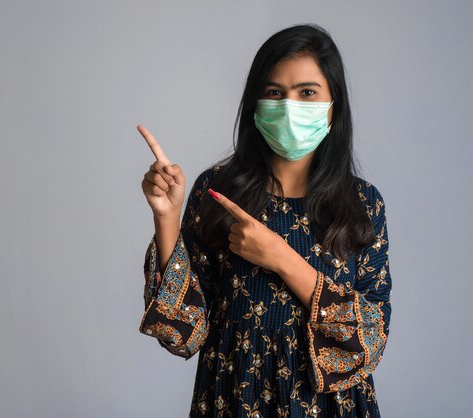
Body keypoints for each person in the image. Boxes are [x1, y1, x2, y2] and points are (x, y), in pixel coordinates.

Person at [137, 23, 392, 418]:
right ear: (256, 103)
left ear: (333, 105)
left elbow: (369, 339)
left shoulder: (362, 205)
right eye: (275, 93)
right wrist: (167, 218)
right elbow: (182, 333)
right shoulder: (218, 193)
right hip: (233, 399)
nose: (289, 106)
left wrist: (282, 258)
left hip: (330, 407)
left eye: (307, 92)